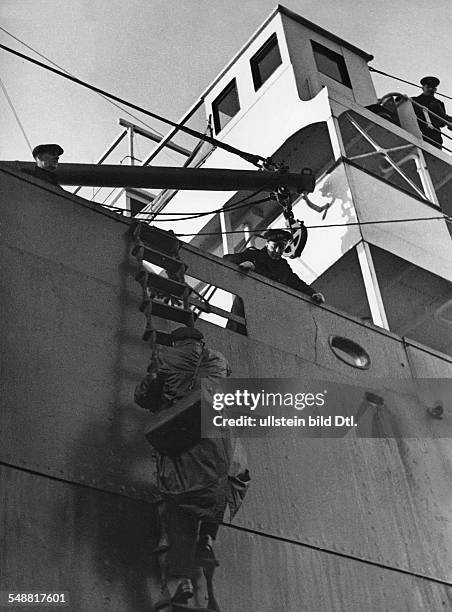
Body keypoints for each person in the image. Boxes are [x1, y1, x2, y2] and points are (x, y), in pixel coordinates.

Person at [146, 326, 249, 608]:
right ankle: (206, 540)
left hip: (185, 441)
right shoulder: (220, 359)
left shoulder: (165, 357)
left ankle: (182, 582)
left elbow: (144, 396)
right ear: (201, 342)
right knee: (217, 489)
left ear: (178, 341)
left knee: (176, 505)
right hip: (218, 441)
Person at [222, 229, 325, 334]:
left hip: (267, 314)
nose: (277, 251)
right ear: (267, 243)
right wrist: (247, 263)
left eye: (281, 247)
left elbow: (296, 282)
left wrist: (312, 293)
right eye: (274, 246)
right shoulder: (254, 255)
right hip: (245, 309)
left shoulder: (283, 267)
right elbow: (227, 259)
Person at [411, 77, 452, 149]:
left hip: (435, 137)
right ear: (423, 88)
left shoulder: (439, 103)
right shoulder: (414, 100)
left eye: (433, 87)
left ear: (435, 89)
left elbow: (442, 123)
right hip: (419, 132)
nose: (431, 89)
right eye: (428, 86)